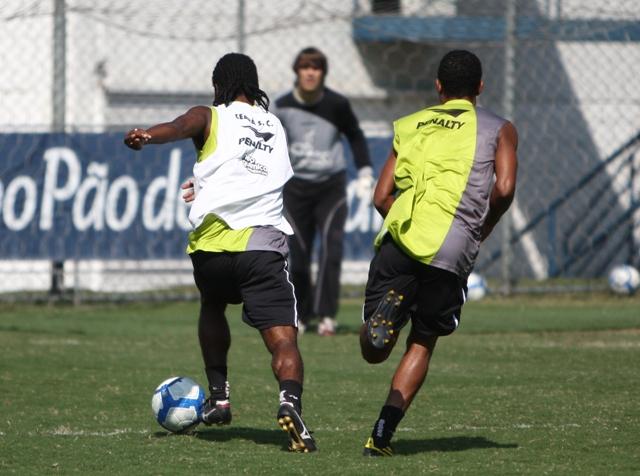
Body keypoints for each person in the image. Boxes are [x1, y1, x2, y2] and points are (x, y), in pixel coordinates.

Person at [124, 53, 316, 453]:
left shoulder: (210, 115)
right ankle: (289, 402)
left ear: (218, 86)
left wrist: (146, 135)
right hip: (261, 247)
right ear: (253, 84)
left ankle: (220, 398)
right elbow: (258, 174)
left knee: (212, 304)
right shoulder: (276, 125)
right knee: (282, 338)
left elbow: (179, 128)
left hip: (210, 249)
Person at [359, 50, 518, 456]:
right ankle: (381, 433)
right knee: (424, 339)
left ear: (438, 86)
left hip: (403, 238)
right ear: (480, 87)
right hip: (453, 249)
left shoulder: (411, 125)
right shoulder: (500, 128)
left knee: (373, 351)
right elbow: (503, 188)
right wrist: (483, 227)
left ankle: (387, 313)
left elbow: (381, 197)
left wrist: (410, 219)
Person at [272, 47, 375, 336]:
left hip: (331, 185)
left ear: (323, 73)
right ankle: (302, 315)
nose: (310, 73)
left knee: (332, 250)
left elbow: (355, 135)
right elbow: (268, 145)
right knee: (299, 255)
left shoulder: (337, 104)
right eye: (305, 67)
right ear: (297, 71)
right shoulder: (280, 106)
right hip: (295, 188)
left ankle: (327, 316)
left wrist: (365, 171)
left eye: (316, 68)